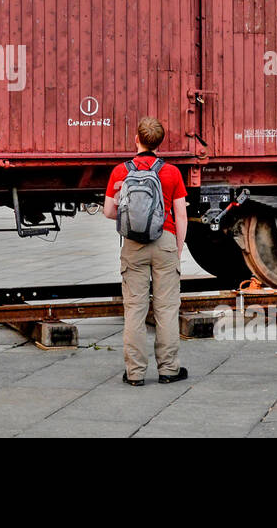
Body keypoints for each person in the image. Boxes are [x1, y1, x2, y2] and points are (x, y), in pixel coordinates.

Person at [104, 116, 189, 386]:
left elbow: (109, 211)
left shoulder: (121, 171)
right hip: (165, 241)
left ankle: (135, 373)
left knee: (134, 310)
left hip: (133, 245)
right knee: (166, 309)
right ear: (160, 143)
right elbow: (181, 216)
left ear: (136, 139)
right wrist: (177, 250)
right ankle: (169, 370)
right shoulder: (172, 172)